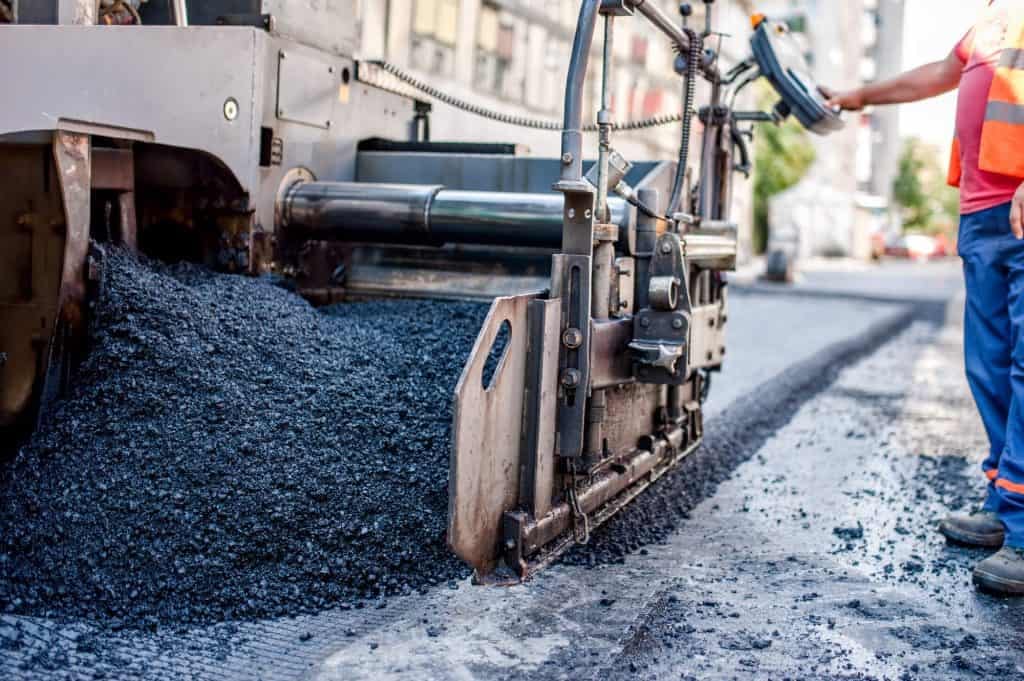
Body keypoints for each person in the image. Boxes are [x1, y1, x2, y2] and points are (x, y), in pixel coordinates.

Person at [827, 0, 1024, 596]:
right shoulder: (991, 22)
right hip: (982, 212)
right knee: (988, 365)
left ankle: (1023, 527)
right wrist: (858, 96)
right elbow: (933, 76)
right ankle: (1005, 499)